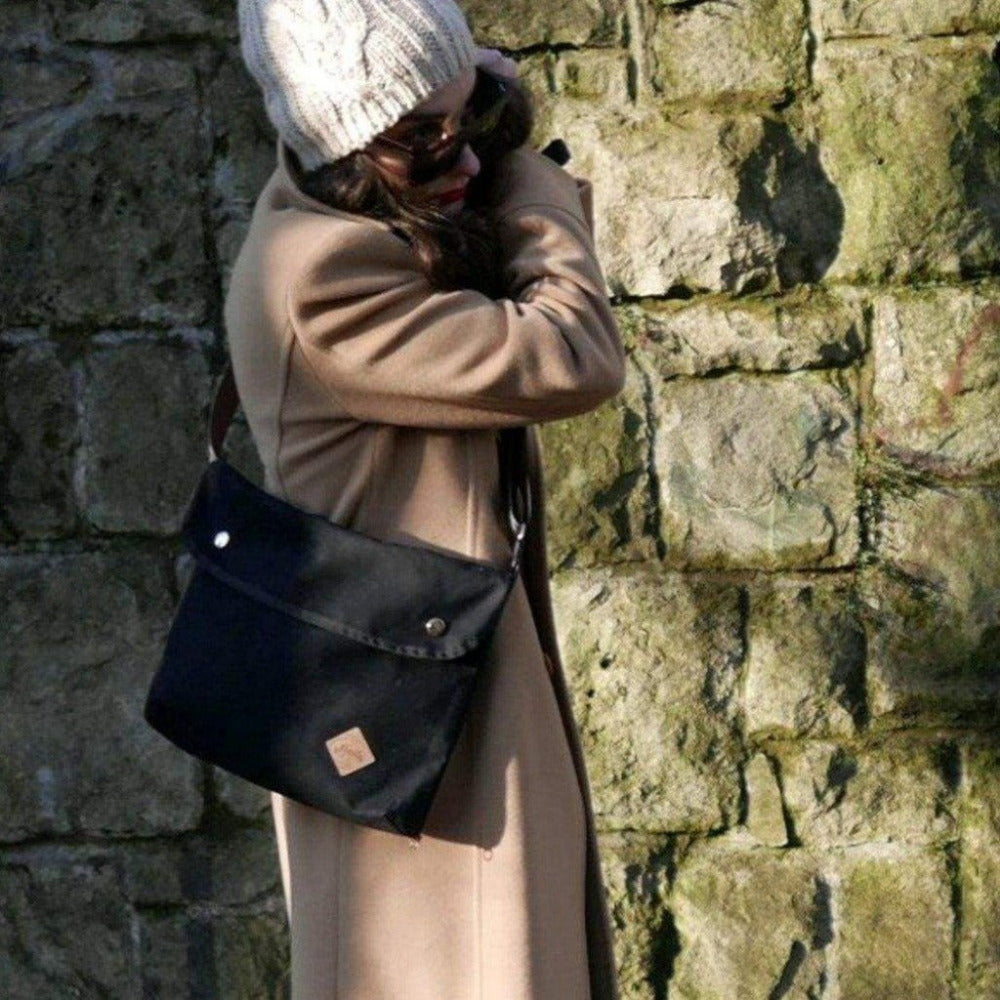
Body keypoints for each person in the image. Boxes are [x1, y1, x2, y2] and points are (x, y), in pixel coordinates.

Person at [227, 1, 625, 997]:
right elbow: (570, 353)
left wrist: (469, 121)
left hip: (434, 686)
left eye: (471, 120)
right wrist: (535, 182)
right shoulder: (320, 278)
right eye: (421, 139)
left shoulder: (357, 225)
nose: (467, 163)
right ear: (343, 143)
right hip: (409, 724)